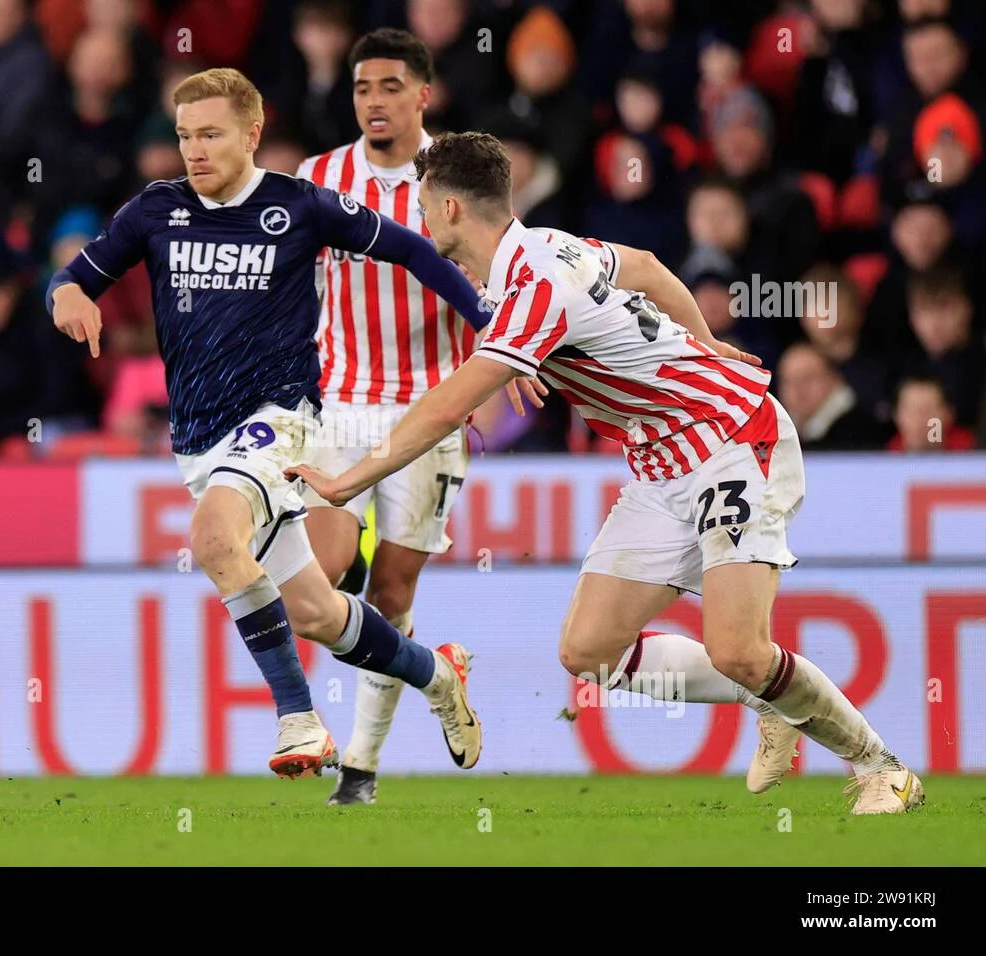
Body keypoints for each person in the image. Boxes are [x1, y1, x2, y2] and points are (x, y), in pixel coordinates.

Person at [290, 131, 925, 815]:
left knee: (740, 646)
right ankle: (765, 694)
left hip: (732, 439)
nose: (416, 211)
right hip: (662, 465)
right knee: (591, 651)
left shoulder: (534, 284)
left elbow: (448, 406)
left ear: (448, 208)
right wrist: (702, 343)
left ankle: (880, 766)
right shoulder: (547, 251)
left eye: (422, 199)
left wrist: (350, 481)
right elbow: (648, 266)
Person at [47, 68, 486, 779]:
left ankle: (299, 720)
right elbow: (71, 277)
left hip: (279, 420)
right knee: (316, 613)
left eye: (211, 134)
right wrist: (67, 296)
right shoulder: (157, 211)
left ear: (252, 134)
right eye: (186, 135)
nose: (194, 150)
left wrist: (493, 330)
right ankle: (438, 675)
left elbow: (410, 248)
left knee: (214, 537)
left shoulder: (300, 206)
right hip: (199, 440)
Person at [294, 28, 545, 805]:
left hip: (431, 408)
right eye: (363, 87)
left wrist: (519, 356)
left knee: (394, 595)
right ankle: (418, 655)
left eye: (392, 86)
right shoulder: (317, 178)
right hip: (340, 401)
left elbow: (506, 279)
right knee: (321, 580)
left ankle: (360, 773)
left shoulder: (456, 180)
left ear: (424, 95)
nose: (375, 100)